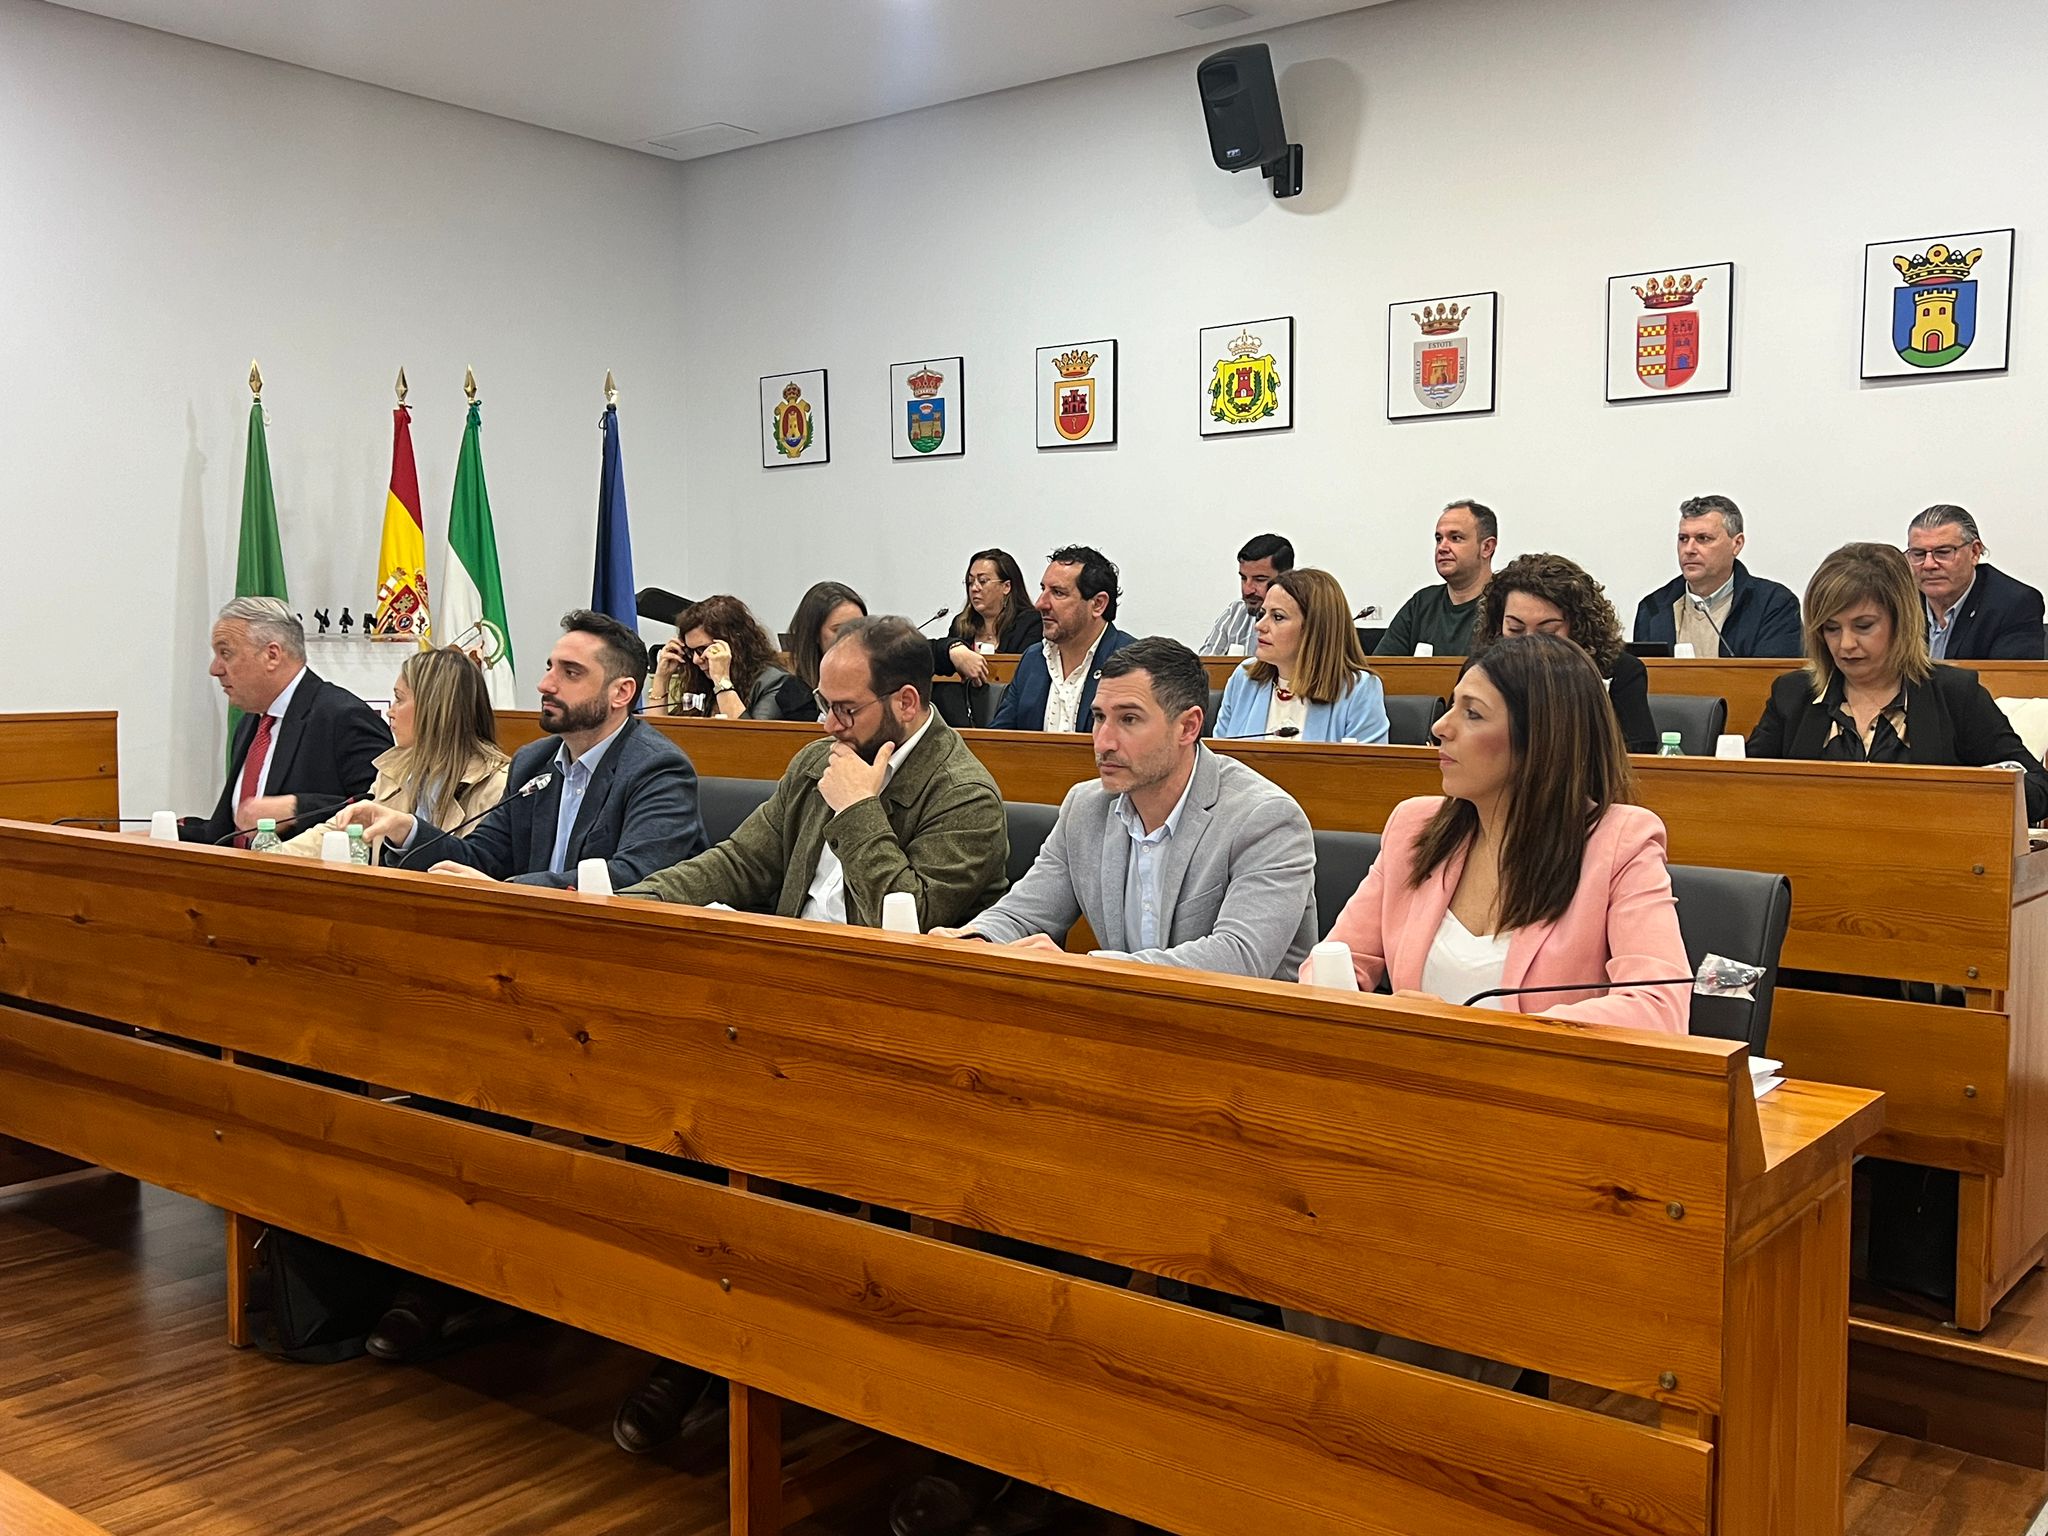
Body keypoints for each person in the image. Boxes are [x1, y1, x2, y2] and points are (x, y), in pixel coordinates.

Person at [608, 615, 1009, 1455]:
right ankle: (695, 1342)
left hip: (892, 1045)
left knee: (765, 1164)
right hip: (785, 1016)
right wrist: (626, 905)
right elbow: (739, 864)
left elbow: (905, 922)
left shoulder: (964, 795)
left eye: (845, 709)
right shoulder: (817, 757)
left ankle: (737, 1360)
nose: (827, 724)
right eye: (823, 705)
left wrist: (860, 810)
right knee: (661, 1122)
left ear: (906, 703)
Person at [1316, 632, 1690, 1031]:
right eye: (1452, 705)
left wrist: (1470, 1030)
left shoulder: (1622, 843)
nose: (1440, 726)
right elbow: (1333, 965)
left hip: (1538, 1071)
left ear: (1541, 740)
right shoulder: (1413, 826)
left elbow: (1659, 1009)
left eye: (1473, 714)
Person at [939, 637, 1316, 979]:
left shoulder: (1266, 819)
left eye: (1129, 719)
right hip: (1125, 1018)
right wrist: (975, 941)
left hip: (1242, 1027)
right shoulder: (1085, 807)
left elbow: (1239, 958)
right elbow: (1023, 913)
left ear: (1188, 727)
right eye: (1099, 717)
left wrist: (1085, 968)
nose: (1103, 742)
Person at [343, 609, 707, 888]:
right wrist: (407, 829)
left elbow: (634, 876)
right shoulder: (534, 762)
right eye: (550, 668)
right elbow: (481, 857)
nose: (545, 684)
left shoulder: (658, 768)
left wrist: (510, 890)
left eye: (571, 673)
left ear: (621, 693)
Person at [1746, 543, 2048, 822]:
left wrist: (1968, 795)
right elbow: (1744, 787)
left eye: (1864, 626)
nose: (1845, 644)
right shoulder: (1793, 693)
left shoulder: (1955, 694)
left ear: (1901, 622)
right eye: (1831, 628)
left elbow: (2037, 789)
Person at [179, 596, 392, 845]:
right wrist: (164, 835)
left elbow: (385, 809)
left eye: (226, 653)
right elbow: (230, 833)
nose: (215, 669)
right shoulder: (251, 722)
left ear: (272, 655)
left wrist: (297, 809)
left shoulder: (344, 717)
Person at [278, 646, 509, 857]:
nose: (390, 712)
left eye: (399, 699)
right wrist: (271, 857)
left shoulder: (497, 785)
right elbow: (340, 830)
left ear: (433, 708)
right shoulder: (397, 768)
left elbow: (480, 865)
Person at [1470, 553, 1658, 753]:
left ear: (1578, 628)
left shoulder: (1620, 671)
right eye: (1515, 629)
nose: (1528, 644)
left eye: (1547, 632)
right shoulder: (1480, 671)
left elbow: (1638, 755)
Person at [1212, 567, 1389, 743]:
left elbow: (1366, 762)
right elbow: (1218, 755)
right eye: (1262, 614)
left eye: (1278, 617)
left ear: (1314, 628)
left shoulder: (1358, 690)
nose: (1259, 626)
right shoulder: (1244, 679)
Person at [1631, 494, 1802, 657]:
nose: (1689, 549)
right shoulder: (1653, 608)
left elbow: (1774, 675)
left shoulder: (1774, 605)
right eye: (1683, 539)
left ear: (1737, 544)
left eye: (1703, 538)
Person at [988, 545, 1137, 732]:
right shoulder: (1033, 659)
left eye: (1058, 593)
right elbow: (999, 738)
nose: (1040, 604)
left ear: (1098, 604)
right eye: (1043, 589)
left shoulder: (1133, 664)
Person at [1906, 504, 2046, 661]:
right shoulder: (1899, 600)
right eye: (1918, 554)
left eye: (1943, 552)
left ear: (1974, 552)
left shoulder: (2015, 604)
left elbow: (2009, 675)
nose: (1928, 564)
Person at [651, 594, 810, 719]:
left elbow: (749, 740)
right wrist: (661, 679)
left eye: (703, 649)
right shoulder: (701, 681)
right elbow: (654, 739)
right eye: (690, 651)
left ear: (735, 644)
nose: (696, 659)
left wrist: (722, 682)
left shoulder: (774, 683)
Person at [1374, 500, 1497, 656]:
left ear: (1487, 547)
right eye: (1439, 539)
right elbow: (1382, 666)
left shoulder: (1506, 603)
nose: (1442, 548)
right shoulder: (1422, 604)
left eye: (1455, 538)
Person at [933, 548, 1039, 685]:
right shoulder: (961, 625)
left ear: (1006, 587)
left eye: (982, 581)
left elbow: (1026, 675)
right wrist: (953, 649)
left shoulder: (1031, 624)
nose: (974, 588)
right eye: (970, 582)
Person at [1197, 533, 1294, 656]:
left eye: (1259, 579)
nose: (1247, 590)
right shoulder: (1236, 612)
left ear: (1286, 577)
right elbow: (1207, 662)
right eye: (1243, 578)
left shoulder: (1305, 617)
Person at [786, 580, 868, 691]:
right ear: (814, 634)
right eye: (839, 629)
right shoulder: (794, 694)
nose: (852, 637)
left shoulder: (881, 683)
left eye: (858, 627)